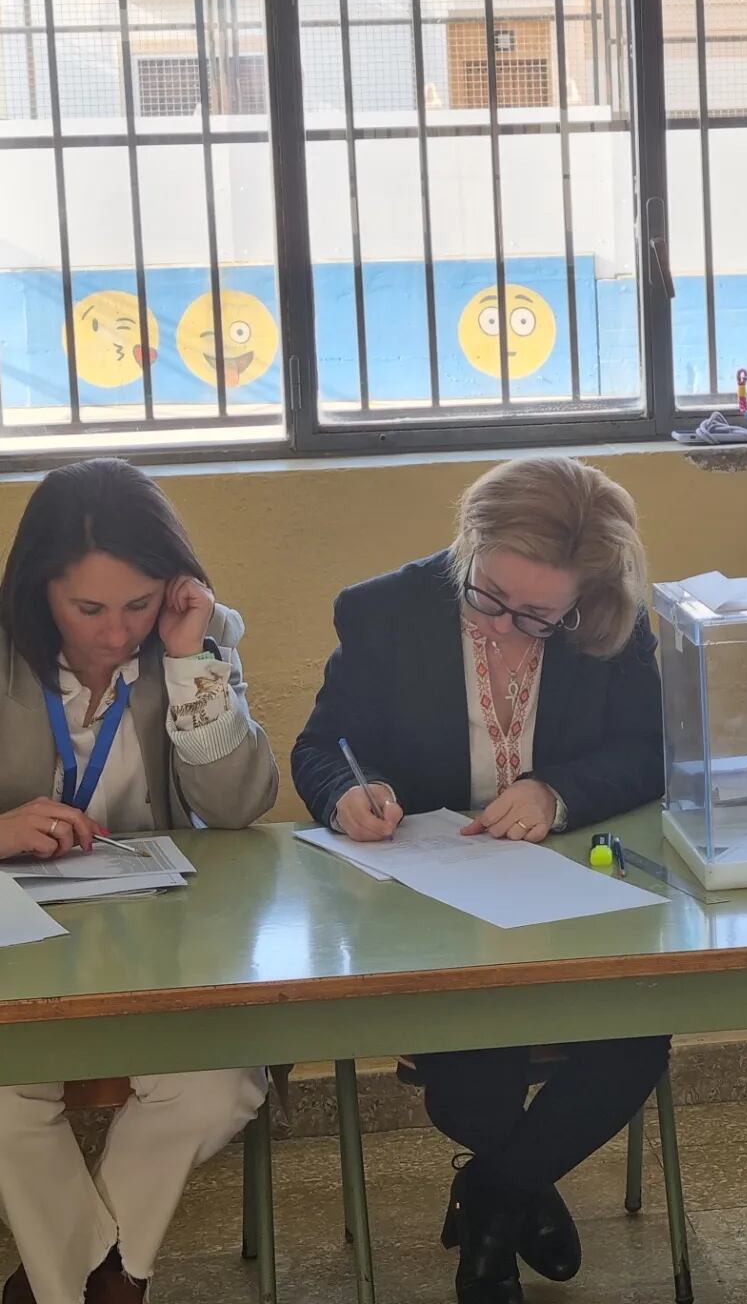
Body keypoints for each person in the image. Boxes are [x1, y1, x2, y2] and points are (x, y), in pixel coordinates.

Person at [292, 456, 670, 1304]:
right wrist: (348, 793)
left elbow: (648, 751)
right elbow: (322, 747)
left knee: (638, 1038)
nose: (504, 627)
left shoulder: (610, 623)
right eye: (488, 597)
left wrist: (556, 792)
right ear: (468, 543)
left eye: (537, 617)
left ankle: (494, 1193)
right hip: (429, 904)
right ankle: (513, 1195)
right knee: (473, 1063)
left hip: (574, 902)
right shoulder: (383, 612)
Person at [0, 458, 277, 1304]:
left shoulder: (198, 635)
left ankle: (78, 1278)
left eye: (140, 604)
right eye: (89, 609)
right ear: (40, 591)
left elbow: (237, 809)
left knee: (220, 1085)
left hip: (155, 938)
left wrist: (190, 660)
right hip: (17, 947)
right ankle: (105, 1283)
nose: (119, 633)